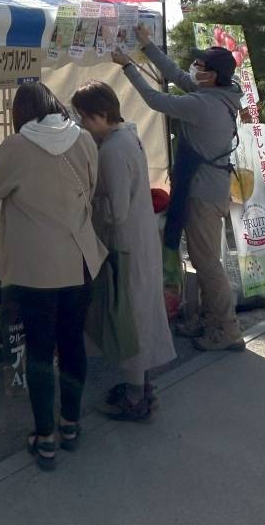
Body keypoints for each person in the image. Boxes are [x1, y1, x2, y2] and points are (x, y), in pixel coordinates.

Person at [0, 82, 106, 471]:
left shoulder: (16, 146)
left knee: (39, 349)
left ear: (19, 112)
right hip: (80, 262)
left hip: (34, 269)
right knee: (72, 345)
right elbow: (93, 186)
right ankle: (71, 425)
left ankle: (45, 437)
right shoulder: (83, 139)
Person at [113, 27, 245, 352]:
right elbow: (174, 75)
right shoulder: (221, 93)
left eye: (200, 67)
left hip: (203, 192)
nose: (194, 70)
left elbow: (156, 100)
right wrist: (147, 45)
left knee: (207, 264)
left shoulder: (204, 104)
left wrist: (128, 66)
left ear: (212, 76)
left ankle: (228, 330)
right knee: (203, 260)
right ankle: (208, 319)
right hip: (208, 188)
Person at [71, 81, 176, 421]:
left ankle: (135, 398)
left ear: (102, 114)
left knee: (127, 321)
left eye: (84, 118)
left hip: (125, 246)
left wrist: (87, 204)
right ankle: (142, 388)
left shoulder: (113, 150)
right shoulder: (128, 136)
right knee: (140, 315)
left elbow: (115, 212)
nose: (82, 125)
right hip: (140, 242)